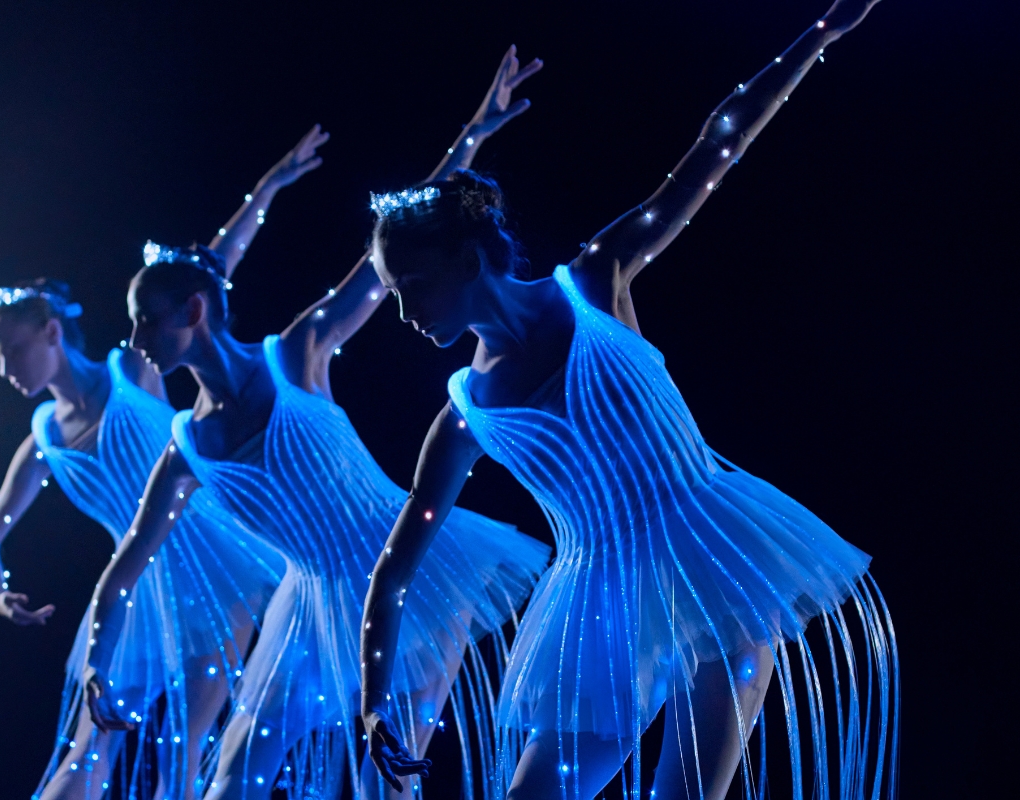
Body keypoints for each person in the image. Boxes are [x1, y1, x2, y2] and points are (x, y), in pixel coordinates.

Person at [360, 6, 898, 800]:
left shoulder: (594, 284)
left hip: (718, 554)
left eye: (411, 287)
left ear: (470, 260)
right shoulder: (465, 414)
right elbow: (394, 567)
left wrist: (821, 31)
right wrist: (373, 704)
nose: (403, 313)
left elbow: (718, 144)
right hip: (599, 608)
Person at [81, 49, 551, 800]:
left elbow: (385, 259)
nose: (134, 341)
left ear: (193, 314)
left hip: (412, 577)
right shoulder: (187, 449)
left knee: (388, 776)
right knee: (232, 776)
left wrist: (473, 132)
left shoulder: (296, 353)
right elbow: (127, 564)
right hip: (307, 605)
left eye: (147, 322)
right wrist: (97, 664)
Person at [0, 126, 330, 800]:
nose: (6, 368)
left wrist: (271, 185)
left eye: (13, 350)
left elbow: (210, 268)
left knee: (185, 750)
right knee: (88, 746)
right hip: (136, 587)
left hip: (218, 561)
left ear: (51, 332)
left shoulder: (133, 365)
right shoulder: (43, 438)